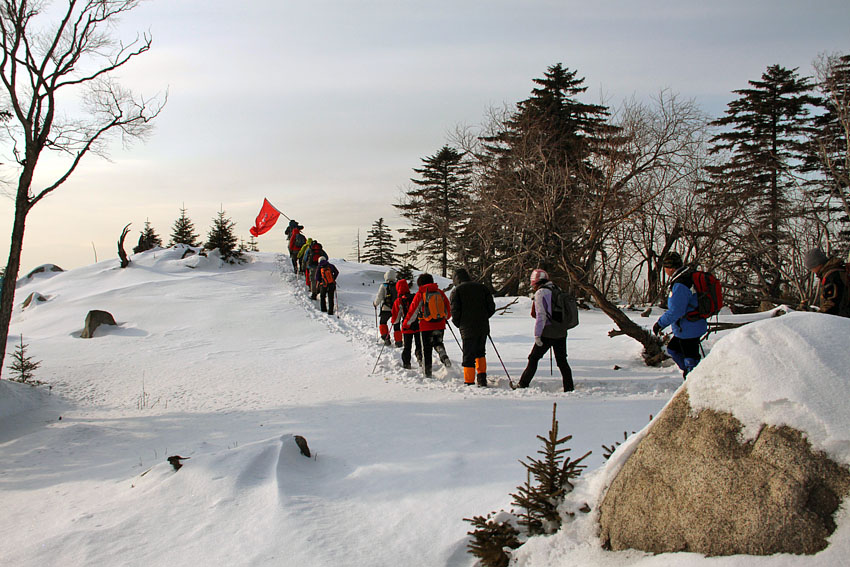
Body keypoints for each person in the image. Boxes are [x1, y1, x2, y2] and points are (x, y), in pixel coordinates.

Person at [517, 269, 574, 392]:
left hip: (547, 332)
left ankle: (523, 384)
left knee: (533, 358)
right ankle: (569, 387)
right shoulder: (556, 289)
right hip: (561, 331)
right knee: (562, 361)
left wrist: (537, 335)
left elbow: (541, 316)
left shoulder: (541, 293)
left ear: (536, 282)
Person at [652, 252, 708, 378]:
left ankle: (694, 380)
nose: (665, 270)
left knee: (690, 361)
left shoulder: (681, 284)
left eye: (665, 267)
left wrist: (660, 324)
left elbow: (676, 311)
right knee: (673, 349)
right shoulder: (685, 278)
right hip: (690, 325)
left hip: (688, 327)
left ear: (670, 268)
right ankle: (693, 376)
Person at [449, 268, 496, 387]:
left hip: (467, 327)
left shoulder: (457, 291)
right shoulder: (482, 288)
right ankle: (481, 378)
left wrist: (459, 323)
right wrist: (484, 317)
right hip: (483, 326)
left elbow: (454, 311)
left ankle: (469, 381)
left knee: (468, 354)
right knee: (480, 352)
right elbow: (491, 307)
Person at [403, 273, 452, 378]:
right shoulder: (440, 292)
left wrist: (406, 324)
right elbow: (448, 308)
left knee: (426, 349)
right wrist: (445, 318)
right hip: (440, 324)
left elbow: (413, 311)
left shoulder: (421, 293)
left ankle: (428, 373)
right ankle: (443, 354)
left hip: (426, 325)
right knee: (438, 342)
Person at [804, 247, 849, 317]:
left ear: (817, 264)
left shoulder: (831, 276)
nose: (812, 271)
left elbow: (832, 304)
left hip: (841, 320)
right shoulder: (836, 271)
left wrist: (817, 317)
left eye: (812, 268)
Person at [392, 278, 422, 369]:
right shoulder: (414, 296)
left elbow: (396, 318)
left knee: (407, 347)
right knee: (419, 344)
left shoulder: (399, 301)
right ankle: (420, 358)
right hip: (418, 325)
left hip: (406, 327)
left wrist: (394, 322)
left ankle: (407, 363)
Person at [373, 269, 402, 347]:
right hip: (396, 309)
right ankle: (399, 341)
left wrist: (375, 304)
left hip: (386, 308)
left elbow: (379, 296)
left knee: (383, 322)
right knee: (396, 325)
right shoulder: (398, 285)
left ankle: (386, 339)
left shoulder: (383, 286)